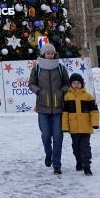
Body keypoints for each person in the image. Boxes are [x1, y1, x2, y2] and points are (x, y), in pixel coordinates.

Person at [29, 42, 70, 174]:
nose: (50, 55)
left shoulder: (60, 68)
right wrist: (39, 91)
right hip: (43, 108)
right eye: (48, 53)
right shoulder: (37, 68)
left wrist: (62, 91)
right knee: (46, 135)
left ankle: (57, 164)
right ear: (43, 54)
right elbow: (31, 83)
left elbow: (66, 84)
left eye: (52, 53)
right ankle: (49, 153)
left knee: (58, 137)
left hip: (58, 108)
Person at [63, 73, 100, 176]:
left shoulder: (88, 96)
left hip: (86, 128)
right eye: (74, 83)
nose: (76, 85)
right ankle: (79, 161)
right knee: (76, 147)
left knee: (85, 147)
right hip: (73, 129)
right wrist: (65, 127)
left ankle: (87, 166)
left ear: (82, 84)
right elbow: (65, 114)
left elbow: (94, 111)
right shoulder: (67, 96)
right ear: (71, 84)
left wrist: (95, 123)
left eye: (78, 83)